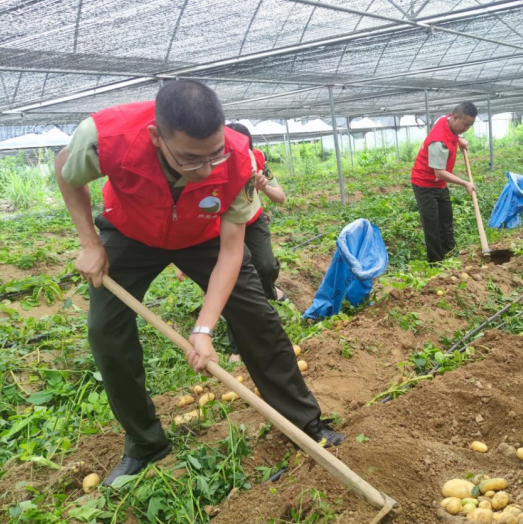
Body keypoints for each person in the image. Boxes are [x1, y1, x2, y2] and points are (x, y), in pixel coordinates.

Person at [55, 80, 344, 486]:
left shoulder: (241, 161)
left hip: (205, 236)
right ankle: (145, 443)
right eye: (191, 159)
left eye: (215, 155)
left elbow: (231, 252)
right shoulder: (105, 137)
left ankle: (305, 425)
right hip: (130, 233)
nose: (207, 170)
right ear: (157, 137)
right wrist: (89, 241)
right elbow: (67, 172)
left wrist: (203, 328)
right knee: (106, 333)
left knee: (258, 319)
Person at [177, 122, 287, 363]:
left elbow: (281, 197)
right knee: (236, 284)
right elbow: (192, 209)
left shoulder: (256, 160)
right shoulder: (206, 166)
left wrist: (264, 186)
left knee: (266, 267)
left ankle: (269, 291)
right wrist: (183, 258)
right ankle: (238, 346)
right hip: (221, 228)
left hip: (251, 221)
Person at [411, 102, 477, 263]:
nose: (466, 128)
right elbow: (439, 173)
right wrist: (466, 183)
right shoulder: (438, 141)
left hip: (439, 185)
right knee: (432, 224)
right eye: (465, 125)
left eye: (470, 125)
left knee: (446, 220)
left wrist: (459, 137)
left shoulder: (446, 120)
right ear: (455, 118)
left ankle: (450, 253)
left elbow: (447, 123)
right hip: (424, 184)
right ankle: (436, 262)